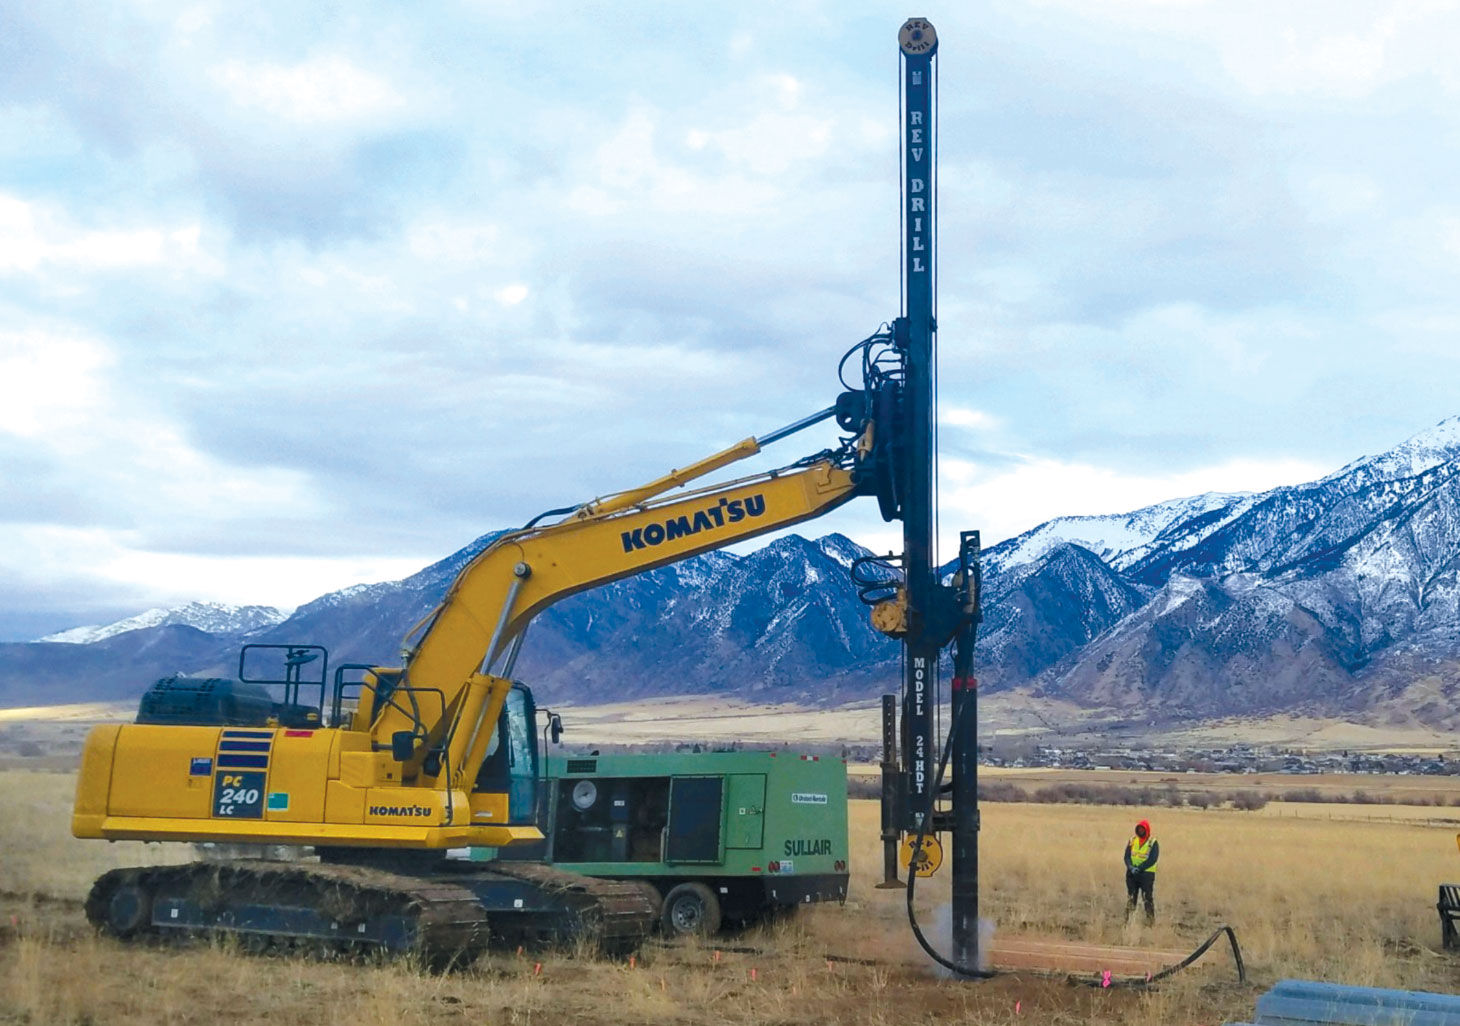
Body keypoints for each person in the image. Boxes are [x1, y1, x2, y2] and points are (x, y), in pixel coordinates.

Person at [1123, 818, 1159, 923]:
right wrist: (1131, 867)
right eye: (1139, 829)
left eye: (1142, 829)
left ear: (1147, 830)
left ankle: (1150, 922)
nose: (1140, 831)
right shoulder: (1132, 840)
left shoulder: (1153, 842)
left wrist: (1140, 868)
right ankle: (1128, 922)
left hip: (1146, 875)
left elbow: (1153, 859)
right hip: (1132, 874)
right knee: (1131, 898)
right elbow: (1126, 856)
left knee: (1147, 899)